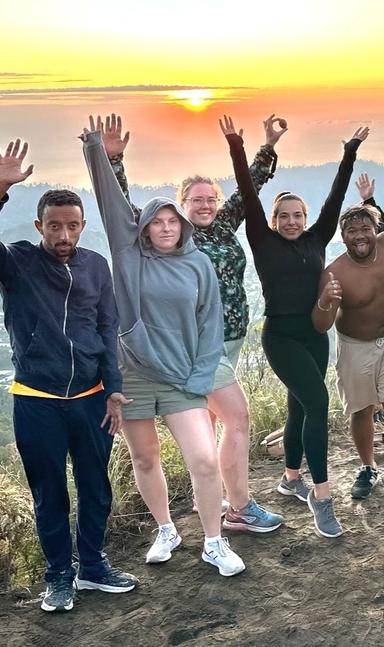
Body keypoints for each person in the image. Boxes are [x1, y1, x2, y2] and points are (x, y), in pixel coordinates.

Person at [0, 139, 138, 612]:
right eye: (54, 226)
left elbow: (108, 330)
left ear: (82, 227)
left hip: (91, 398)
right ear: (40, 226)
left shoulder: (96, 267)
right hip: (35, 400)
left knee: (97, 487)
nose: (63, 234)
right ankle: (59, 577)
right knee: (50, 494)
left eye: (72, 226)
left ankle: (94, 568)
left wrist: (114, 392)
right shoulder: (16, 262)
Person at [99, 113, 282, 533]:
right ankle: (240, 508)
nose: (204, 205)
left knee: (215, 423)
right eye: (195, 200)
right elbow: (126, 215)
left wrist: (268, 144)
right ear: (181, 206)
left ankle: (211, 503)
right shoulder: (177, 237)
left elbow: (249, 186)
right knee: (238, 418)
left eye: (210, 199)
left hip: (231, 342)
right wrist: (114, 161)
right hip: (201, 345)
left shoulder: (220, 227)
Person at [83, 118, 249, 578]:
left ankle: (214, 542)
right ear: (145, 227)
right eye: (156, 222)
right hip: (133, 373)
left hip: (181, 377)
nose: (165, 228)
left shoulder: (198, 265)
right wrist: (100, 150)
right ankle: (166, 530)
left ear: (182, 225)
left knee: (201, 458)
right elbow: (110, 203)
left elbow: (210, 326)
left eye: (171, 221)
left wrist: (199, 378)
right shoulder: (129, 253)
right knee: (145, 456)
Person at [224, 114, 370, 538]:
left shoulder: (316, 239)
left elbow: (336, 197)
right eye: (283, 215)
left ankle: (290, 479)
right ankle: (322, 498)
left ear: (305, 218)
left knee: (298, 405)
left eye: (297, 215)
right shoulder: (262, 239)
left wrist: (350, 151)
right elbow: (248, 194)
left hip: (315, 333)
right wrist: (238, 145)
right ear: (273, 220)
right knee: (318, 403)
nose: (291, 221)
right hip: (281, 336)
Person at [311, 186, 384, 510]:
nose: (359, 235)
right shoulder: (334, 272)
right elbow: (320, 324)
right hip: (354, 345)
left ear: (375, 230)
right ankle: (368, 467)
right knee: (360, 409)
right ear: (342, 236)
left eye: (365, 228)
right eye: (351, 230)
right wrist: (326, 301)